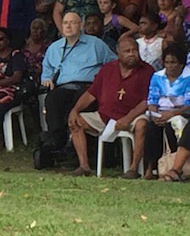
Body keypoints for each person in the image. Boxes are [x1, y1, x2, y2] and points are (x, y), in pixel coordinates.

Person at [67, 37, 153, 177]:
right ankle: (84, 166)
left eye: (134, 51)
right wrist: (75, 110)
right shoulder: (107, 69)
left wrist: (128, 118)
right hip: (105, 116)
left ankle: (133, 169)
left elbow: (147, 101)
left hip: (133, 117)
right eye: (127, 51)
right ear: (118, 52)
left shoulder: (147, 71)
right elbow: (91, 94)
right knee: (76, 121)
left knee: (142, 125)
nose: (132, 54)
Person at [40, 12, 116, 152]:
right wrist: (46, 78)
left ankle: (74, 138)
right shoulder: (55, 48)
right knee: (52, 98)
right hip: (64, 86)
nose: (68, 25)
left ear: (81, 25)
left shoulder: (96, 44)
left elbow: (113, 65)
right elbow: (47, 68)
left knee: (81, 98)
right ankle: (56, 139)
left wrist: (103, 81)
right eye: (65, 23)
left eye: (72, 22)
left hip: (89, 87)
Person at [143, 44, 190, 179]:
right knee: (151, 128)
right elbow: (152, 100)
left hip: (181, 113)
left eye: (174, 62)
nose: (170, 66)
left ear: (181, 63)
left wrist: (171, 114)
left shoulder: (188, 77)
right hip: (160, 112)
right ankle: (151, 169)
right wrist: (155, 114)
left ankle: (175, 167)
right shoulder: (157, 76)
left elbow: (188, 104)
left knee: (172, 127)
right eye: (167, 62)